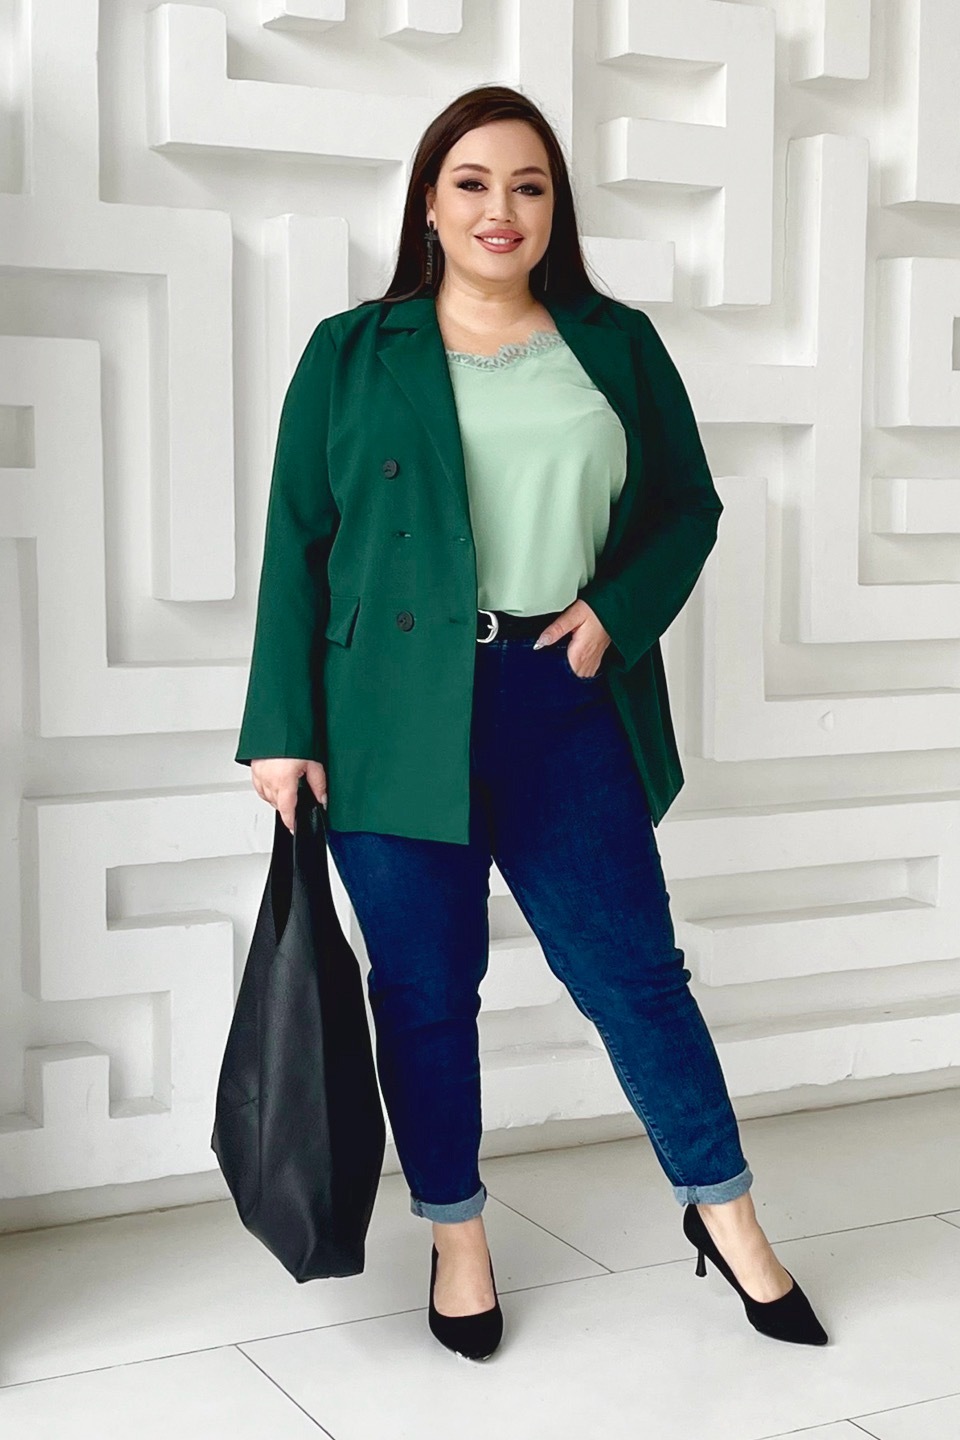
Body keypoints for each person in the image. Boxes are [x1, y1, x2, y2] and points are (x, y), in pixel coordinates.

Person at [235, 84, 828, 1360]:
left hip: (560, 698)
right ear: (428, 203)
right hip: (390, 717)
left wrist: (615, 609)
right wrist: (283, 727)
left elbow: (687, 506)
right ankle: (456, 1235)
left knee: (635, 977)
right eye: (472, 182)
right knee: (425, 992)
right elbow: (297, 543)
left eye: (529, 185)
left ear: (556, 208)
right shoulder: (350, 351)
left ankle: (726, 1212)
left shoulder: (614, 343)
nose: (499, 208)